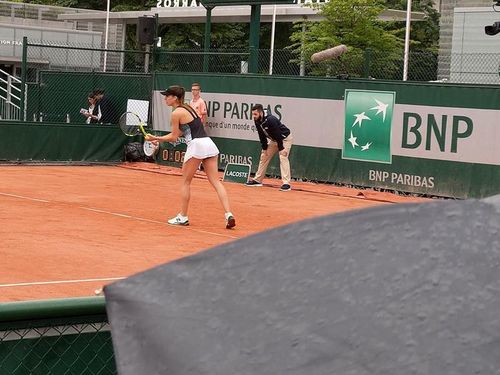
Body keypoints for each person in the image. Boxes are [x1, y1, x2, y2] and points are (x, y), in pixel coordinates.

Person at [145, 85, 236, 229]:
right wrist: (157, 138)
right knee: (216, 182)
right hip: (208, 143)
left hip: (196, 145)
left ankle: (183, 216)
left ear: (175, 98)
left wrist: (155, 137)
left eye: (167, 96)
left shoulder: (176, 113)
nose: (165, 98)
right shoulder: (188, 107)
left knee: (186, 182)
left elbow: (174, 137)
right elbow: (184, 131)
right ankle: (228, 214)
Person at [245, 104, 293, 191]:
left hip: (284, 139)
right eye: (253, 114)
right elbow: (261, 135)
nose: (253, 116)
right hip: (274, 140)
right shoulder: (257, 120)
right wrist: (264, 147)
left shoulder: (271, 119)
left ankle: (286, 184)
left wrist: (281, 148)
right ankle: (257, 180)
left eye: (255, 114)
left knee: (283, 157)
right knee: (264, 156)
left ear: (261, 112)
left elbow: (278, 134)